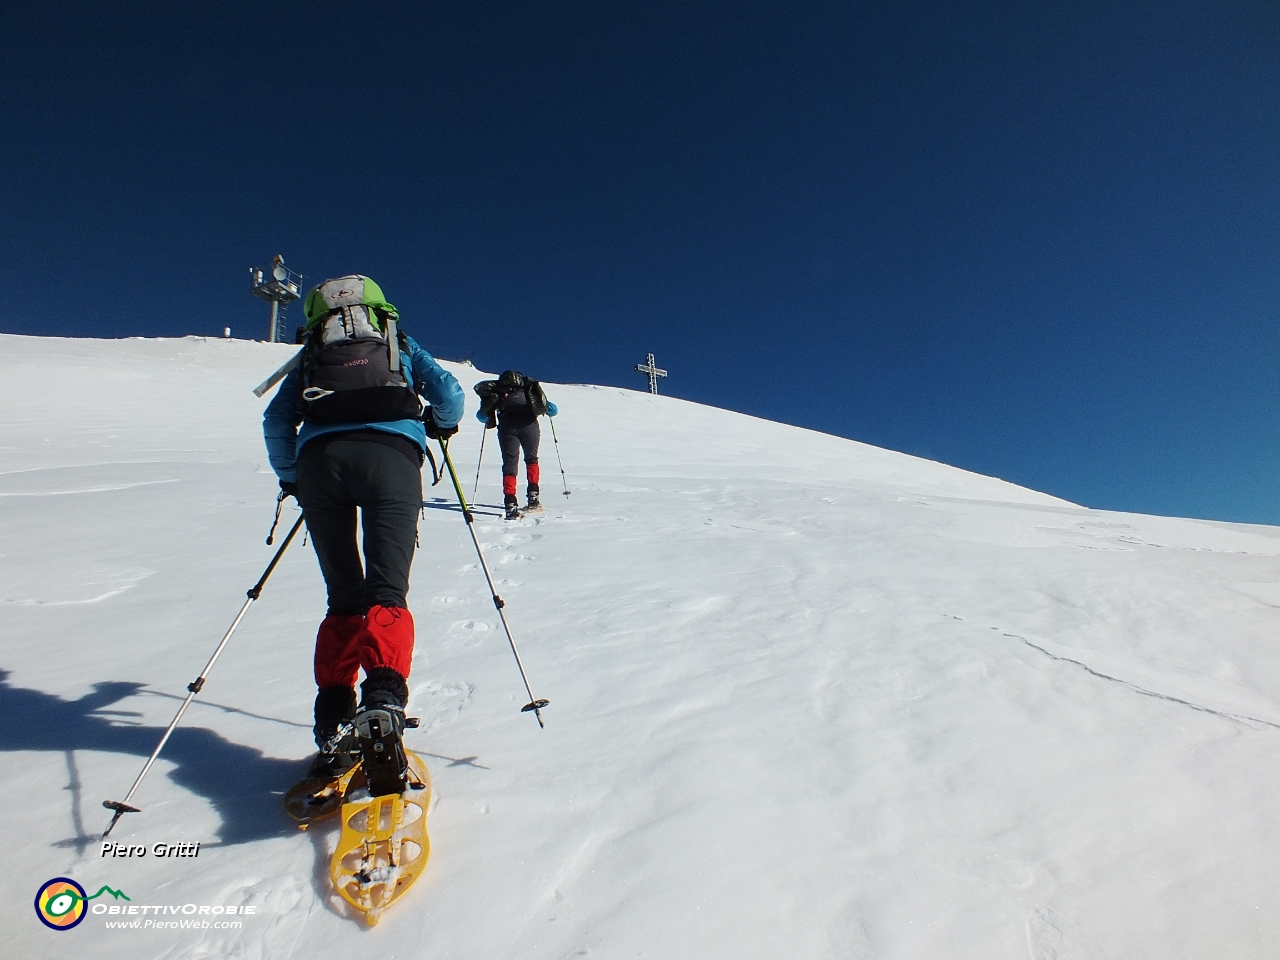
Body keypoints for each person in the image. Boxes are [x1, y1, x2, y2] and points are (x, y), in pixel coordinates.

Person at [263, 275, 464, 796]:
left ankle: (333, 722)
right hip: (392, 459)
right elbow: (448, 394)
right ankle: (383, 705)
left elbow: (276, 419)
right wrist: (440, 425)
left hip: (320, 466)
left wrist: (293, 477)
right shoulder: (397, 342)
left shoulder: (311, 352)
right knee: (386, 592)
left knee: (343, 600)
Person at [474, 370, 558, 519]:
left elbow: (481, 416)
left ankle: (510, 504)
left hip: (507, 427)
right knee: (531, 459)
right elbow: (552, 410)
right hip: (530, 425)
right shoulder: (529, 391)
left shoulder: (499, 394)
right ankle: (533, 497)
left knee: (509, 465)